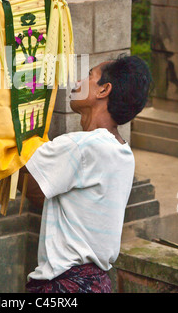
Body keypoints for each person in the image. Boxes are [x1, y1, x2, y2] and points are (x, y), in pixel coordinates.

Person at [18, 54, 152, 293]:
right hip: (97, 283)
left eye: (89, 76)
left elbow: (30, 179)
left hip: (65, 286)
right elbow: (45, 195)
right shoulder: (122, 151)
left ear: (104, 90)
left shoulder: (82, 146)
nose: (77, 83)